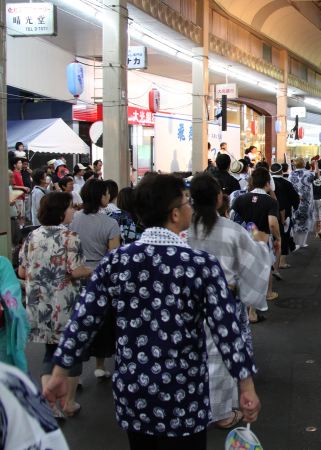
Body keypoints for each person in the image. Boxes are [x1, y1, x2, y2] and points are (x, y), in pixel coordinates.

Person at [43, 173, 260, 449]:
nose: (190, 207)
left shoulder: (117, 261)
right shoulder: (199, 265)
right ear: (174, 214)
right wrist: (246, 384)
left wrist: (60, 372)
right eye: (186, 202)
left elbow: (83, 319)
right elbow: (226, 329)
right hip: (185, 395)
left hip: (134, 392)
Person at [187, 173, 270, 429]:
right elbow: (254, 260)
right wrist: (260, 241)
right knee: (222, 354)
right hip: (225, 301)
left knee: (190, 353)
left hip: (187, 302)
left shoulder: (183, 230)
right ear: (219, 198)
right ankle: (222, 413)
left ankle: (193, 403)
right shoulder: (231, 230)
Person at [19, 192, 92, 418]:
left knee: (50, 353)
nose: (74, 211)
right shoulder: (71, 237)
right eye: (71, 207)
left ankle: (49, 404)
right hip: (64, 305)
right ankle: (68, 403)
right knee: (73, 350)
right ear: (61, 212)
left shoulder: (32, 236)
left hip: (38, 304)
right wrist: (95, 271)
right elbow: (76, 271)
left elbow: (22, 270)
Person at [69, 179, 120, 379]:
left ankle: (76, 373)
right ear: (101, 197)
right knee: (101, 322)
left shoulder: (73, 219)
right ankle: (100, 365)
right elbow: (113, 255)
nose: (109, 196)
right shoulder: (110, 223)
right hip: (100, 277)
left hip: (77, 274)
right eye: (106, 193)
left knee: (79, 321)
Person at [232, 168, 282, 317]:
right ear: (267, 183)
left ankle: (245, 305)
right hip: (262, 240)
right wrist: (278, 237)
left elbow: (233, 218)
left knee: (245, 271)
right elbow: (272, 223)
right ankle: (256, 307)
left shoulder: (240, 199)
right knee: (263, 270)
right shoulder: (270, 201)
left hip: (243, 239)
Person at [0, 362, 69, 450]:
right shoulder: (10, 381)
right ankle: (56, 406)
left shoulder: (8, 383)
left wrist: (60, 373)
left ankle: (54, 407)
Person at [271, 163, 299, 269]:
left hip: (268, 214)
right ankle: (282, 261)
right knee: (283, 236)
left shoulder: (268, 182)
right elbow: (295, 198)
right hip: (284, 214)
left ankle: (271, 261)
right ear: (282, 171)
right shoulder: (286, 183)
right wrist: (295, 206)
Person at [289, 157, 315, 248]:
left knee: (295, 219)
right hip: (306, 200)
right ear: (304, 163)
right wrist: (316, 165)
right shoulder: (308, 173)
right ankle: (302, 242)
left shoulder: (291, 174)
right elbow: (317, 176)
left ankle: (296, 242)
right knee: (305, 220)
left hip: (294, 199)